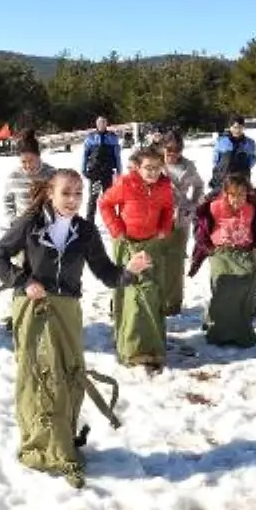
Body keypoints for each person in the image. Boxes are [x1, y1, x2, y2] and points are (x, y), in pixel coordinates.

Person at [0, 169, 152, 488]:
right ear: (50, 193)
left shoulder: (86, 230)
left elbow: (106, 273)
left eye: (78, 193)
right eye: (66, 193)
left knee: (68, 375)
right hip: (33, 310)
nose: (73, 200)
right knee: (40, 377)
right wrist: (23, 280)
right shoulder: (30, 223)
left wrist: (129, 272)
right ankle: (40, 445)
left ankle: (62, 441)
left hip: (67, 311)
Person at [98, 147, 174, 373]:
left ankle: (152, 345)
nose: (152, 172)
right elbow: (105, 204)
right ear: (138, 168)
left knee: (149, 294)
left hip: (151, 244)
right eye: (147, 168)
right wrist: (116, 229)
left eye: (157, 168)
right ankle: (128, 343)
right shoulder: (125, 183)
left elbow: (168, 209)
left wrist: (164, 227)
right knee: (129, 292)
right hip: (126, 243)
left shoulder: (164, 186)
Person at [189, 173, 256, 346]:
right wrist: (209, 248)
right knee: (223, 285)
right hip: (220, 252)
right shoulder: (214, 207)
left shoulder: (252, 208)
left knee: (247, 282)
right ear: (225, 193)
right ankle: (218, 329)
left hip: (244, 251)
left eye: (241, 194)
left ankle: (242, 325)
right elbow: (201, 229)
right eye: (232, 195)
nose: (237, 199)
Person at [0, 131, 57, 331]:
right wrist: (14, 222)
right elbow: (8, 201)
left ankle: (46, 310)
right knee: (21, 273)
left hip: (46, 234)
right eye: (23, 162)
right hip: (21, 234)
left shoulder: (52, 174)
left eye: (31, 161)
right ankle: (19, 311)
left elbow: (61, 202)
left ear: (38, 156)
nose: (27, 166)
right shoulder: (14, 176)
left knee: (44, 272)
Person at [160, 132, 205, 316]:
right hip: (158, 219)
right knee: (157, 260)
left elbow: (200, 185)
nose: (173, 154)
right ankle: (158, 300)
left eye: (177, 150)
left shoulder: (189, 166)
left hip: (181, 219)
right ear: (163, 148)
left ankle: (174, 302)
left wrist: (194, 204)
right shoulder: (154, 163)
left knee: (176, 261)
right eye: (169, 150)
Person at [81, 116, 122, 222]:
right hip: (95, 173)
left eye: (103, 123)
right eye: (99, 123)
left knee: (108, 198)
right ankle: (89, 221)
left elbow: (117, 155)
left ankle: (111, 219)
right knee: (93, 198)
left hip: (107, 172)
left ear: (106, 124)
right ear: (96, 124)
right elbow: (85, 155)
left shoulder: (112, 137)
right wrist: (83, 169)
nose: (101, 125)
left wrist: (119, 170)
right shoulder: (91, 137)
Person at [210, 116, 256, 191]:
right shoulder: (221, 141)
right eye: (235, 127)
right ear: (230, 127)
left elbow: (252, 160)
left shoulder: (250, 142)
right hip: (223, 177)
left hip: (242, 177)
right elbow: (215, 160)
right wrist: (221, 170)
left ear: (243, 127)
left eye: (240, 127)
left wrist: (243, 169)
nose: (237, 130)